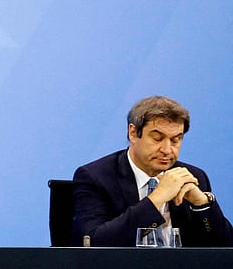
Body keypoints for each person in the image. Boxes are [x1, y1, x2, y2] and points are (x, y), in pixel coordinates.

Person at [71, 95, 233, 247]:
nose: (167, 150)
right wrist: (157, 198)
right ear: (133, 133)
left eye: (176, 140)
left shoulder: (193, 176)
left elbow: (225, 249)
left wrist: (201, 204)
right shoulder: (95, 177)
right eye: (157, 138)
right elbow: (93, 243)